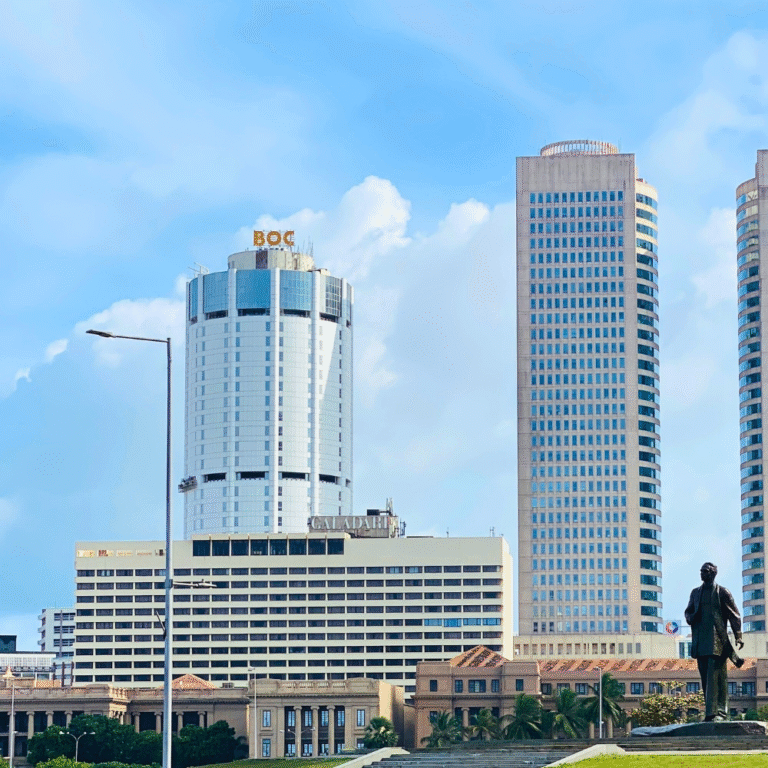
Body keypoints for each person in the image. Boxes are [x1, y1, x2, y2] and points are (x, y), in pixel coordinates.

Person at [684, 562, 743, 721]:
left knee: (717, 678)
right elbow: (688, 612)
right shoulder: (696, 593)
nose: (702, 574)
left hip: (717, 642)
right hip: (700, 641)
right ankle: (710, 713)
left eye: (705, 571)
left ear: (713, 574)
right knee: (706, 679)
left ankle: (719, 713)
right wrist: (691, 617)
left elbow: (734, 614)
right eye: (701, 571)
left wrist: (738, 634)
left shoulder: (722, 592)